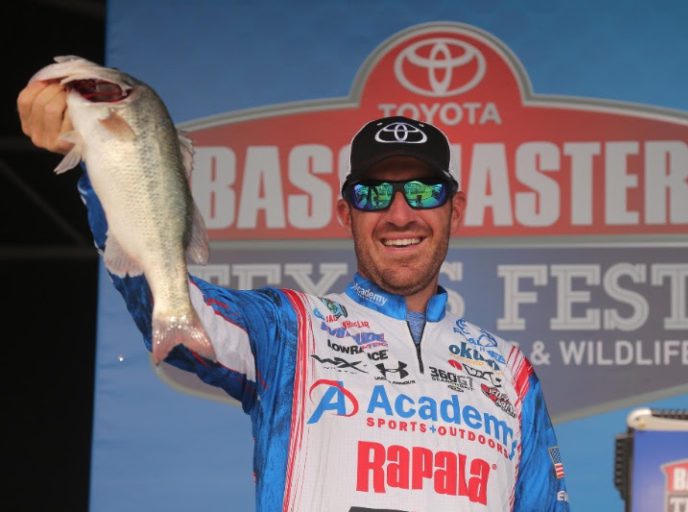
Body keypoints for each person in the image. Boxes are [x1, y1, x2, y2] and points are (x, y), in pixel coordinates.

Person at [19, 80, 570, 511]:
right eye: (374, 193)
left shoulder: (508, 372)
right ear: (344, 212)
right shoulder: (289, 330)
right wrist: (102, 155)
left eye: (423, 191)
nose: (400, 213)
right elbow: (169, 300)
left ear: (455, 209)